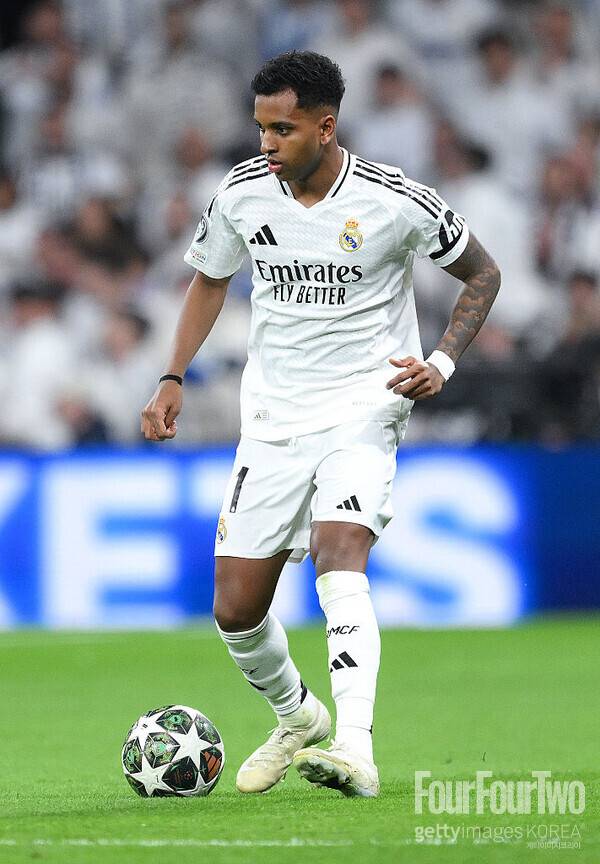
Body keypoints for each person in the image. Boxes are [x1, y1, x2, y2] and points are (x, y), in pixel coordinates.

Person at [141, 51, 501, 798]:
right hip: (273, 415)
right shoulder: (242, 192)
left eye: (283, 129)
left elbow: (483, 273)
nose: (266, 144)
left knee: (339, 554)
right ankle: (297, 716)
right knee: (235, 608)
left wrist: (442, 361)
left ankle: (355, 748)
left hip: (365, 404)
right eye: (260, 128)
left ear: (326, 126)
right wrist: (172, 376)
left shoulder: (393, 199)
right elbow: (210, 281)